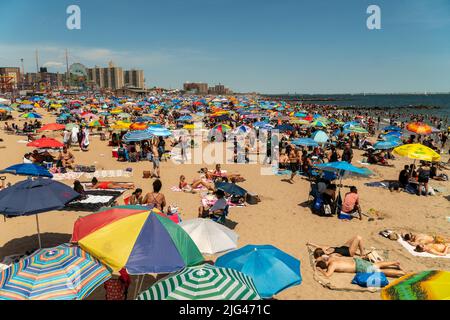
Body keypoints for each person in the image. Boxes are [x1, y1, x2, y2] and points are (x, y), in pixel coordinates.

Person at [316, 256, 405, 278]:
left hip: (359, 267)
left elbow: (327, 275)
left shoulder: (332, 265)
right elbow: (322, 256)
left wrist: (320, 270)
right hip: (357, 261)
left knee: (380, 272)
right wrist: (318, 260)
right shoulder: (332, 258)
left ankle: (401, 273)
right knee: (377, 264)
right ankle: (395, 263)